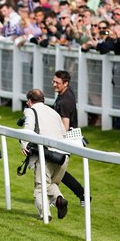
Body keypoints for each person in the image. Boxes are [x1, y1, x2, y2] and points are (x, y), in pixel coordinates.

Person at [19, 89, 69, 221]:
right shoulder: (54, 112)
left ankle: (45, 214)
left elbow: (28, 129)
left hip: (46, 155)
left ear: (29, 101)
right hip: (63, 156)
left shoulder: (30, 110)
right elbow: (64, 133)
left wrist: (24, 144)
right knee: (51, 184)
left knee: (40, 187)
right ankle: (59, 199)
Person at [52, 70, 87, 206]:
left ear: (66, 83)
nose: (54, 84)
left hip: (67, 137)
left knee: (57, 171)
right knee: (56, 170)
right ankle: (80, 194)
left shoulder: (65, 101)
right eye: (54, 81)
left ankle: (82, 194)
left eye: (57, 83)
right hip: (72, 135)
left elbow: (65, 126)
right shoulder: (66, 92)